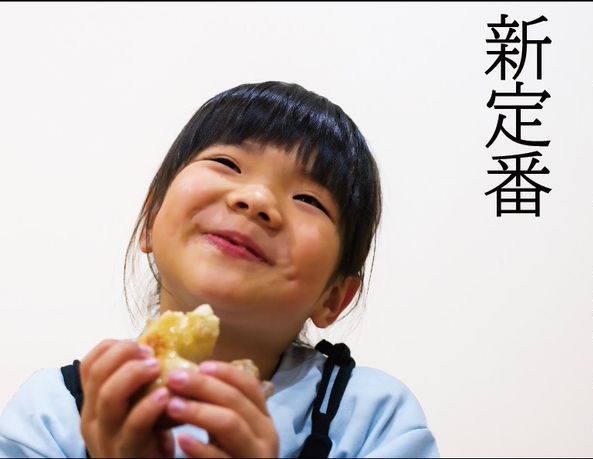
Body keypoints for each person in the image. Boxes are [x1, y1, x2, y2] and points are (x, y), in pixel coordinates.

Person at [0, 82, 439, 458]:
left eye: (308, 199)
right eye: (228, 164)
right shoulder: (54, 413)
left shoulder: (372, 419)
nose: (256, 200)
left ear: (334, 298)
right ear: (151, 220)